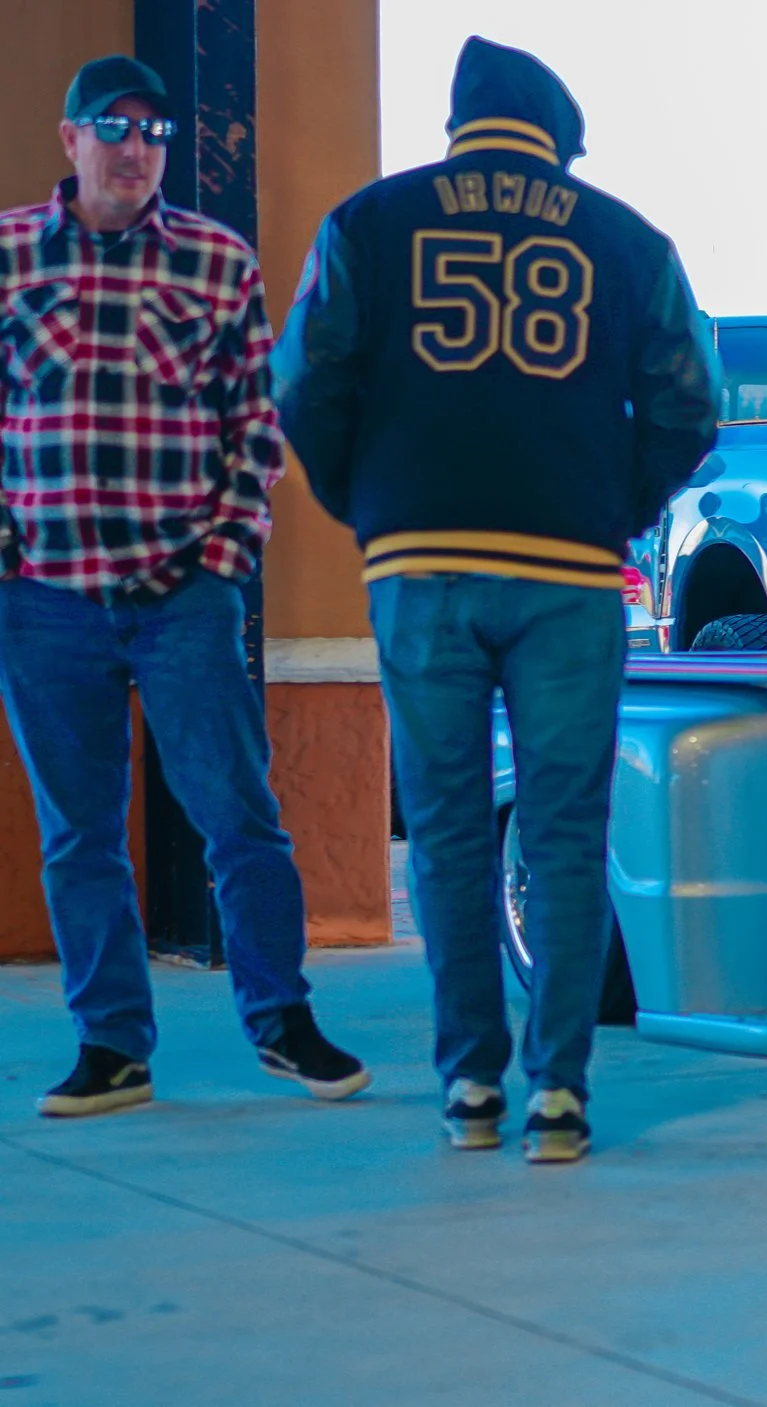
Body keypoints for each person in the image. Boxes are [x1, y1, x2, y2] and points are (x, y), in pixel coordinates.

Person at [273, 38, 716, 1163]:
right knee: (564, 836)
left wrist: (368, 502)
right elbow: (689, 400)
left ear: (461, 124)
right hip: (569, 571)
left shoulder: (367, 225)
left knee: (451, 832)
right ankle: (558, 1096)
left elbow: (305, 382)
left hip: (419, 563)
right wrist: (616, 502)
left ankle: (470, 1085)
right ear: (557, 139)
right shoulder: (626, 239)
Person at [0, 57, 368, 1117]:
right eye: (112, 127)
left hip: (183, 600)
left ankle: (283, 1022)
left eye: (154, 132)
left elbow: (254, 425)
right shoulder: (13, 254)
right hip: (45, 600)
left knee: (240, 816)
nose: (135, 148)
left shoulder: (215, 261)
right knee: (80, 834)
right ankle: (110, 1046)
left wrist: (221, 558)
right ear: (69, 139)